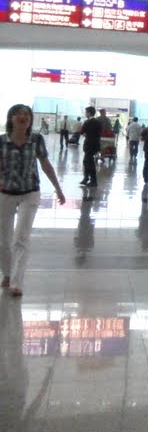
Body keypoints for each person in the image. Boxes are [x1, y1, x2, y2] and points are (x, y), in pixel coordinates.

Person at [1, 105, 68, 298]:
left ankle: (16, 282)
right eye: (19, 114)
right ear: (11, 118)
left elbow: (46, 165)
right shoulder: (1, 142)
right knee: (3, 240)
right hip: (5, 193)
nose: (23, 117)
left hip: (30, 193)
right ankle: (6, 273)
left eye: (27, 115)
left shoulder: (37, 140)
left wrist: (58, 188)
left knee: (21, 237)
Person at [77, 108, 106, 188]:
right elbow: (100, 132)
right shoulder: (98, 122)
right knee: (87, 161)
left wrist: (87, 135)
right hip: (95, 144)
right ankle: (86, 178)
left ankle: (92, 180)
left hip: (88, 144)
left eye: (86, 112)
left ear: (89, 113)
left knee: (89, 162)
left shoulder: (87, 122)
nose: (85, 114)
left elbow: (82, 132)